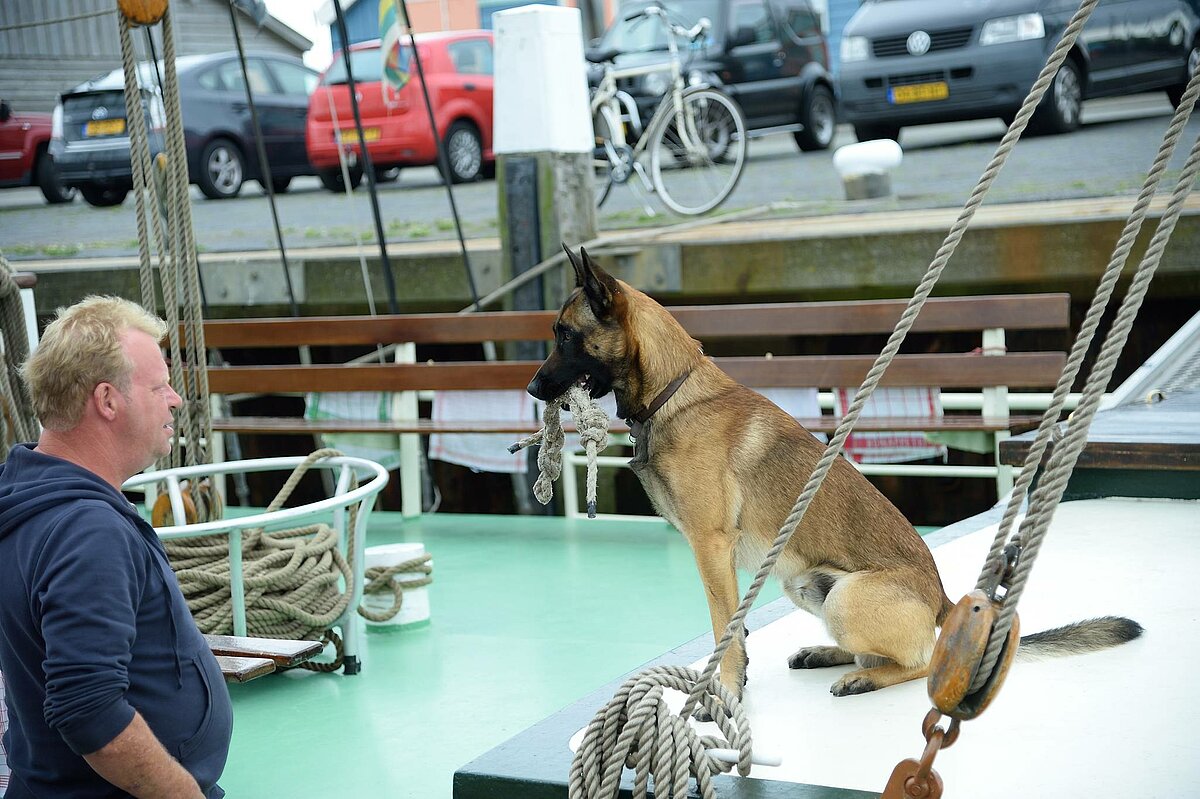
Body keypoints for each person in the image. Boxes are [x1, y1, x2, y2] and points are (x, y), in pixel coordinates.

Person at [0, 296, 232, 798]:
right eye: (159, 386)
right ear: (107, 400)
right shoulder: (88, 531)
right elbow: (88, 709)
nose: (175, 399)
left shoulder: (23, 495)